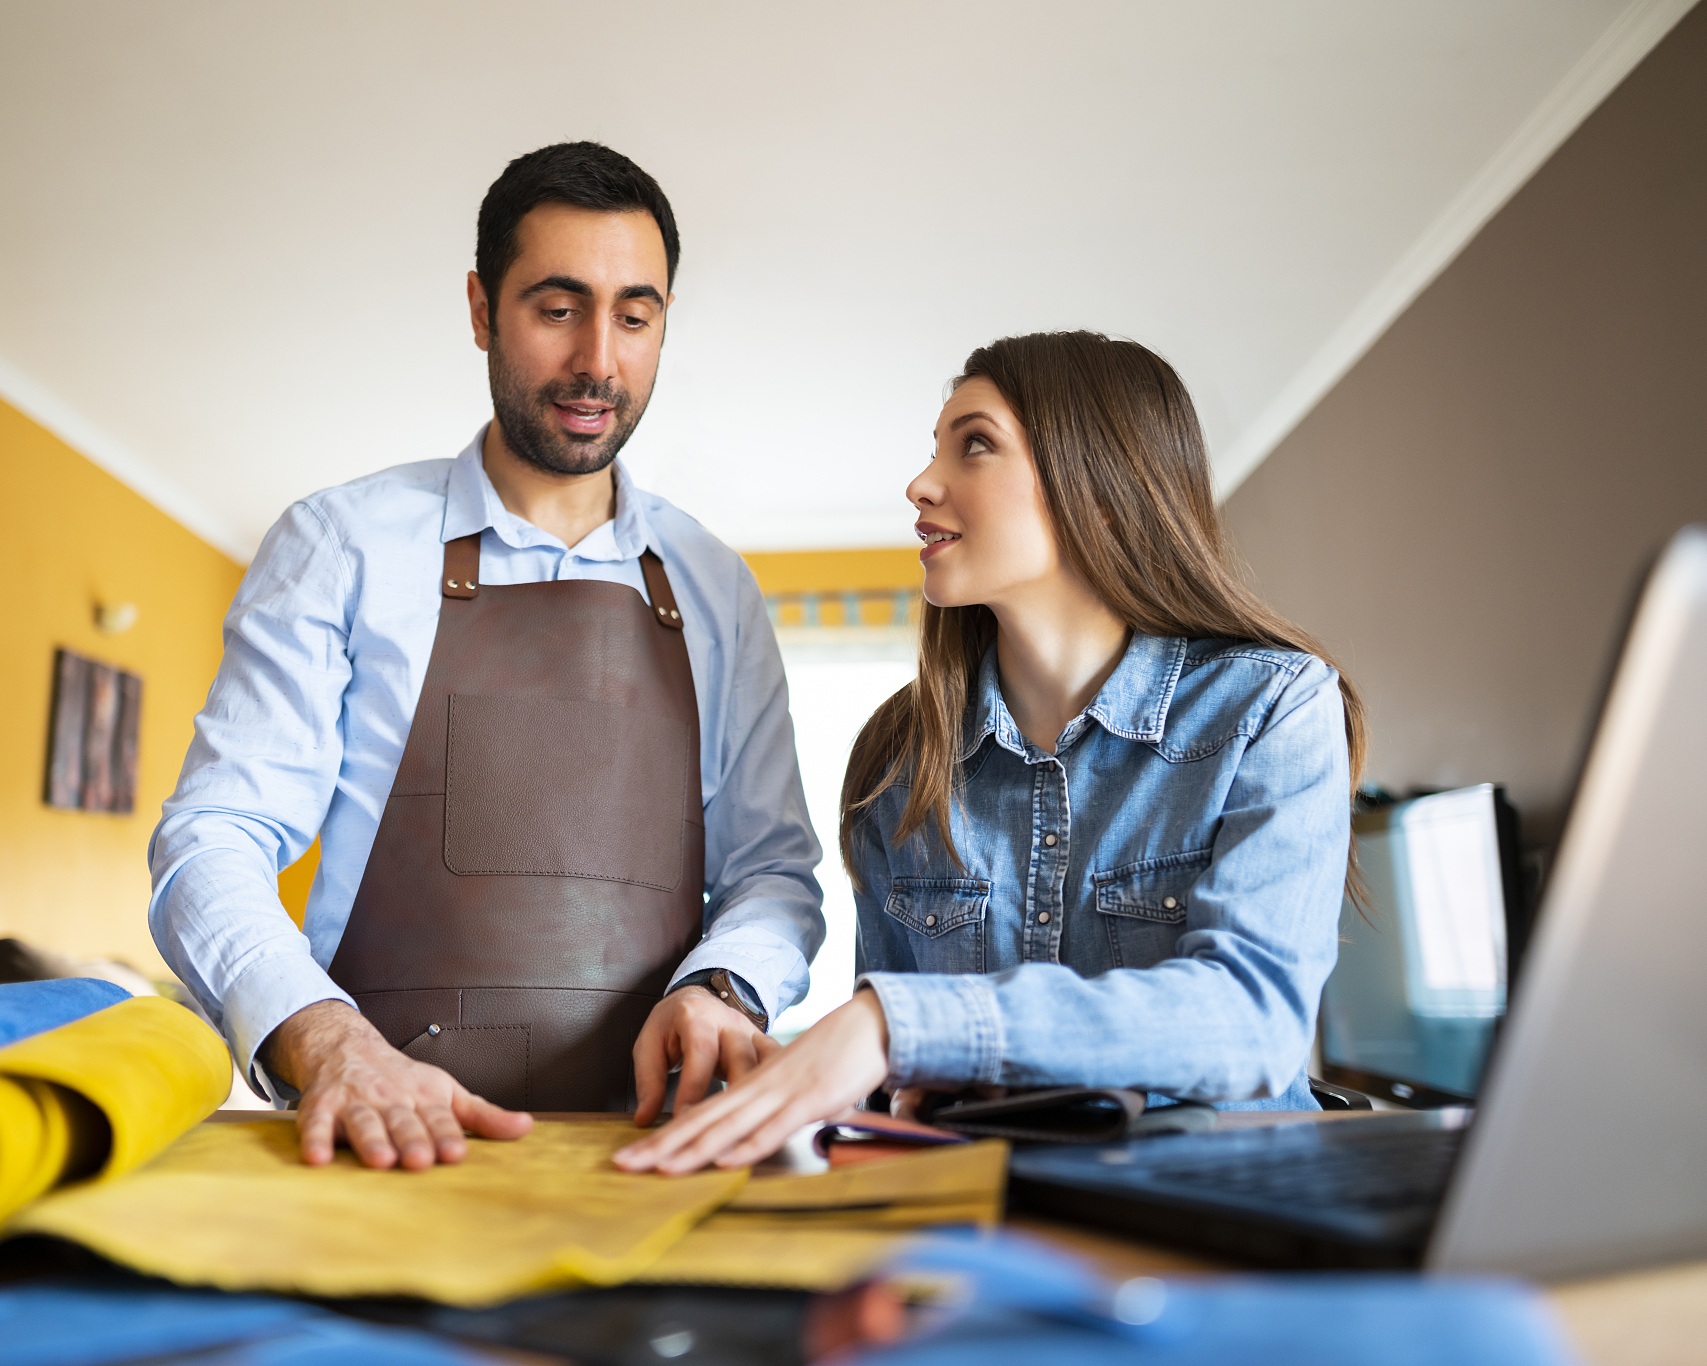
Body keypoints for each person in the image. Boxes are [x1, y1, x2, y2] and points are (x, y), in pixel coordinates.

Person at [151, 142, 824, 1173]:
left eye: (634, 317)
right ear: (480, 310)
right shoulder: (340, 543)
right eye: (558, 309)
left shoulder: (713, 584)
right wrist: (327, 1043)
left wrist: (720, 985)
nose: (599, 359)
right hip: (379, 1147)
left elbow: (772, 874)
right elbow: (212, 840)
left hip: (652, 1157)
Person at [616, 331, 1363, 1174]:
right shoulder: (899, 760)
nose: (921, 484)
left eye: (975, 445)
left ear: (1106, 491)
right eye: (937, 448)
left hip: (1231, 1220)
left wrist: (896, 1025)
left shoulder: (1273, 706)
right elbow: (899, 1102)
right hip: (978, 1224)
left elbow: (1252, 1019)